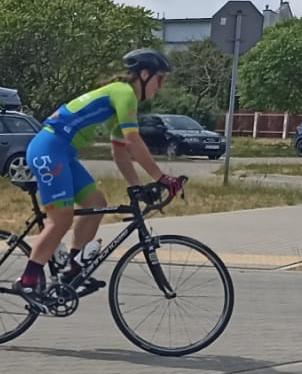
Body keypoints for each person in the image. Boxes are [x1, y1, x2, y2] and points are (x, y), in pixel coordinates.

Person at [16, 48, 184, 307]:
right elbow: (133, 140)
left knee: (96, 203)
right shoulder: (124, 93)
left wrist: (137, 187)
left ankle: (72, 271)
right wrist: (161, 177)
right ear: (145, 74)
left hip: (62, 153)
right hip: (49, 149)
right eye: (160, 79)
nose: (160, 87)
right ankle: (28, 280)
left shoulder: (123, 99)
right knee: (61, 219)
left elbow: (120, 150)